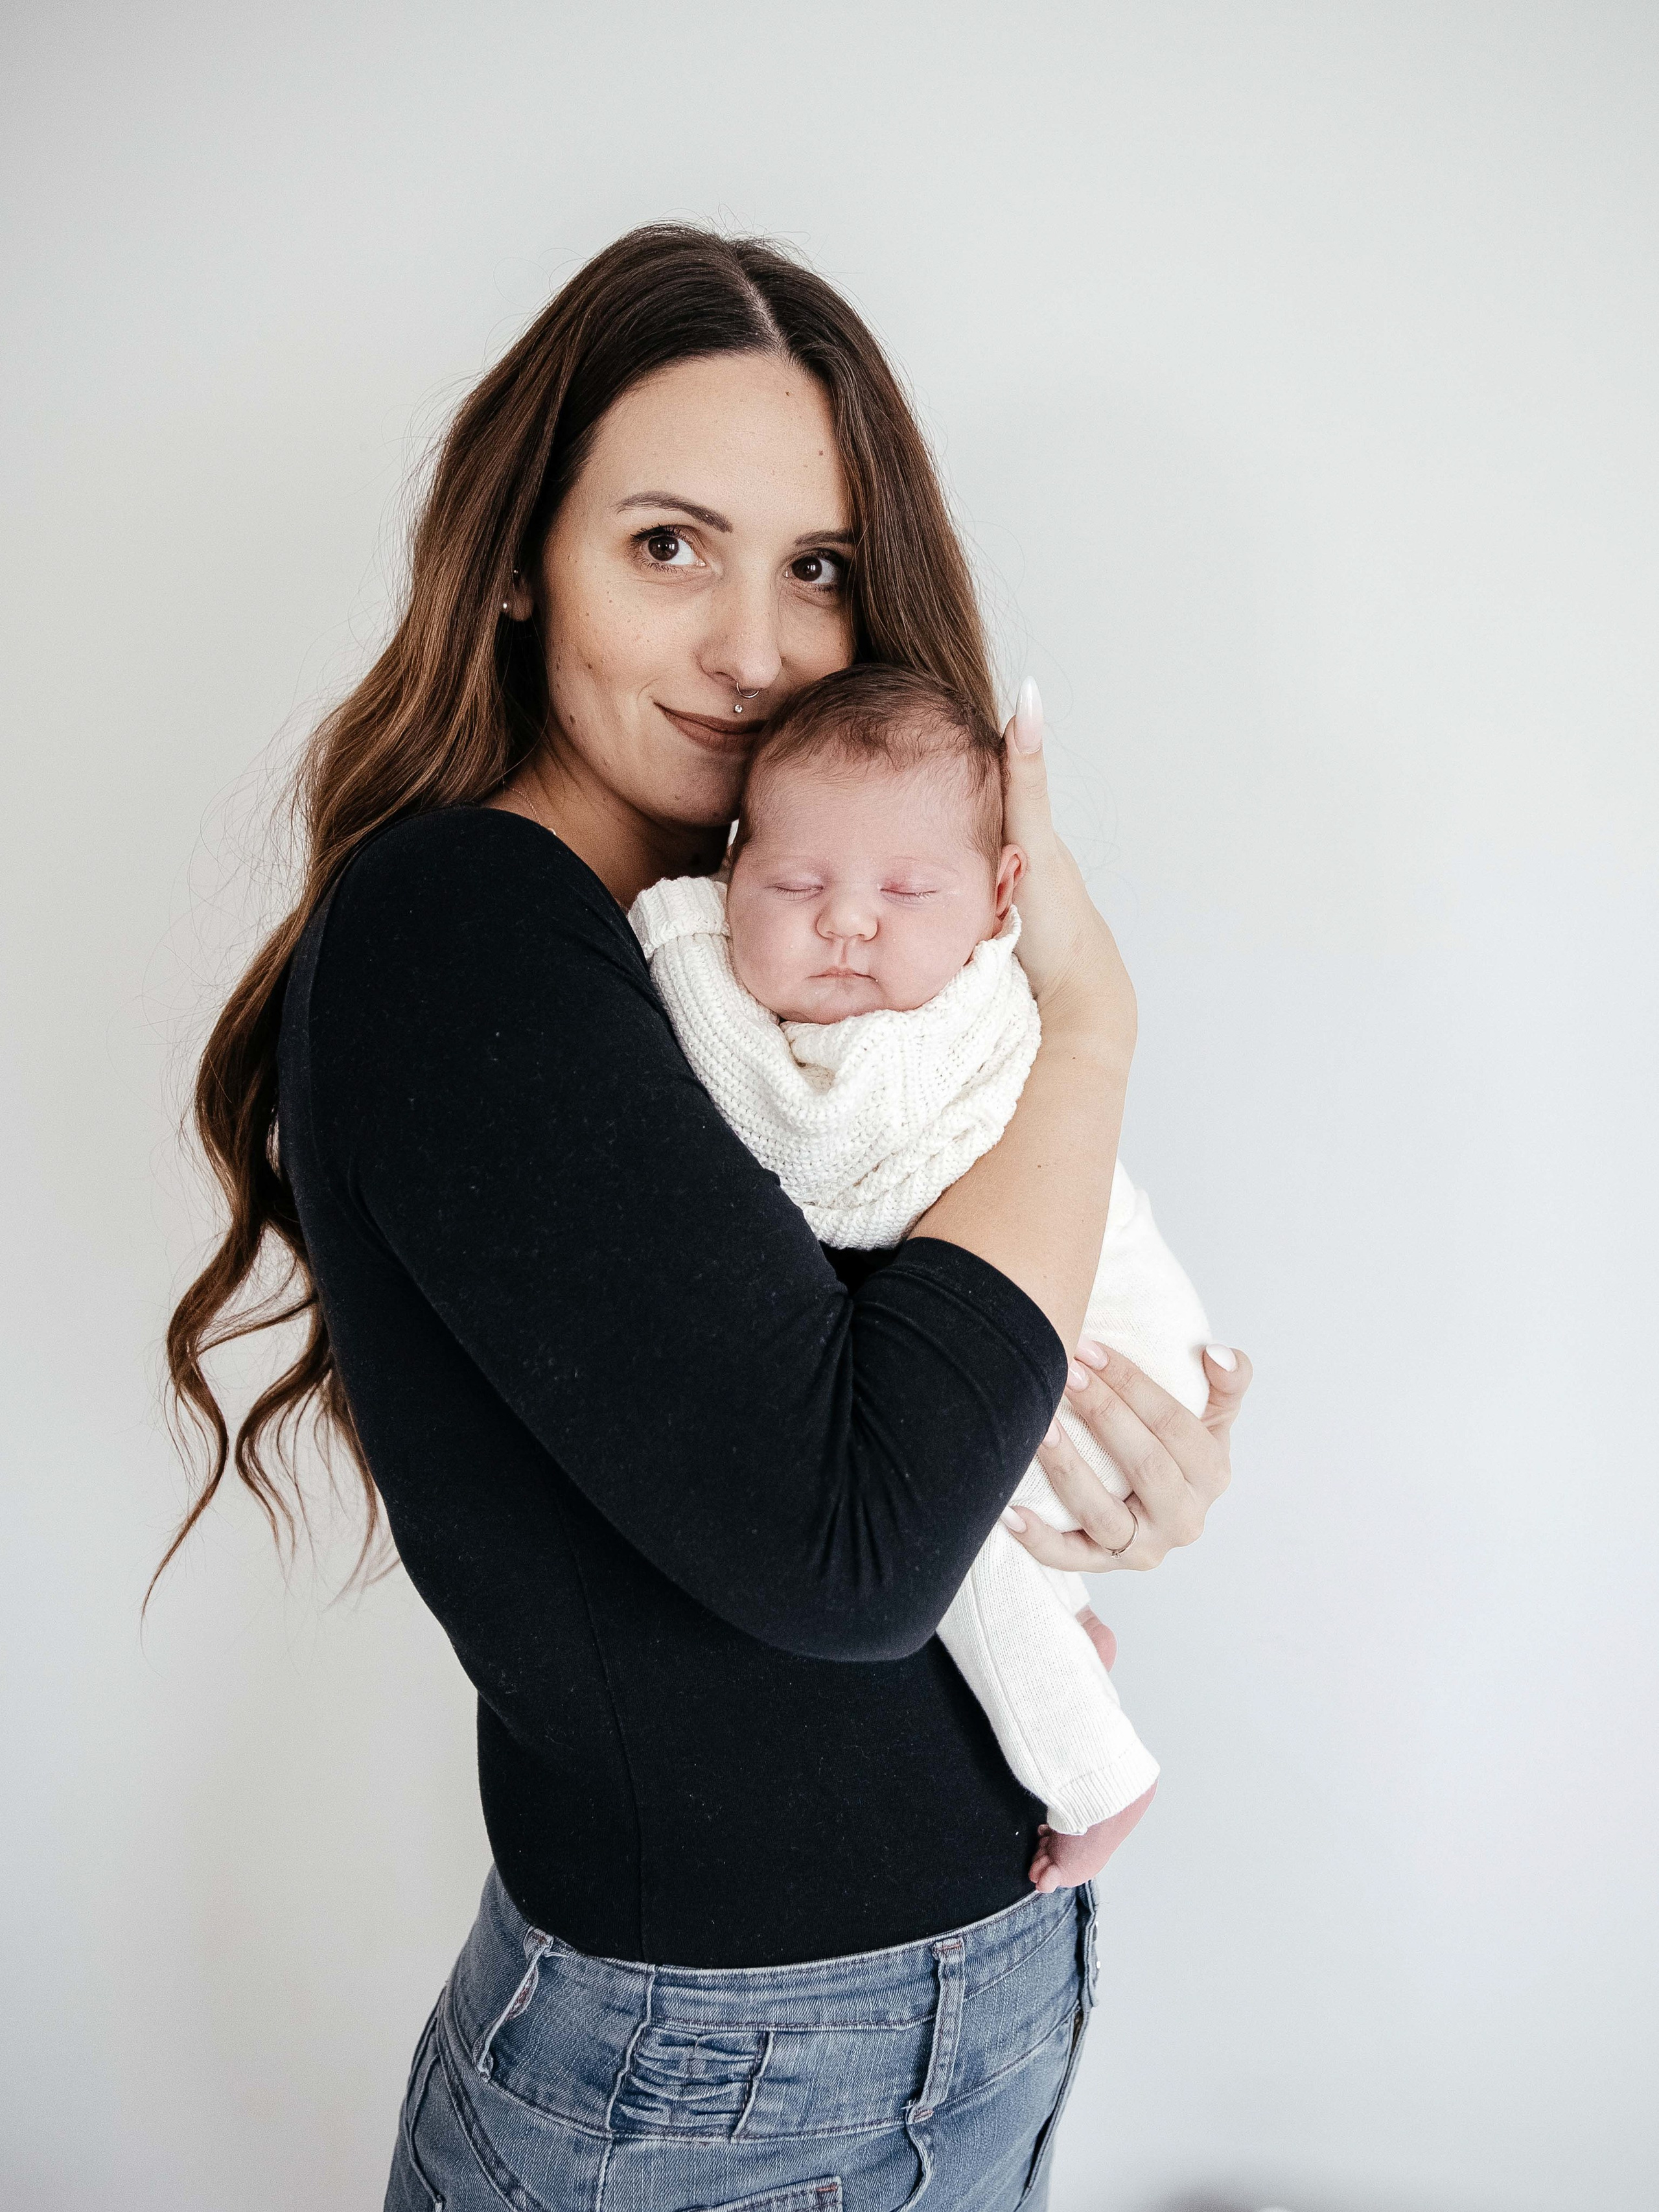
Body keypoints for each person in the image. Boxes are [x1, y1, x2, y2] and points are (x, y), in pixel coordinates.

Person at [163, 224, 1251, 2212]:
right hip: (724, 2068)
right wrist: (1093, 1020)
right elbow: (852, 1550)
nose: (755, 645)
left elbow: (893, 1417)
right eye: (670, 543)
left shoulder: (745, 981)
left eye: (816, 566)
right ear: (519, 556)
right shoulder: (467, 926)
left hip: (940, 1992)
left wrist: (1101, 1470)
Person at [630, 660, 1216, 1899]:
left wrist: (680, 933)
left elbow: (814, 1160)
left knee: (944, 1539)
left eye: (906, 889)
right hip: (1085, 1338)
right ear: (745, 863)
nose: (849, 921)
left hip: (1106, 1361)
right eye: (795, 883)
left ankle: (1102, 1768)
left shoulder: (933, 1030)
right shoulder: (917, 982)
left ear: (1002, 899)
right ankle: (1064, 1637)